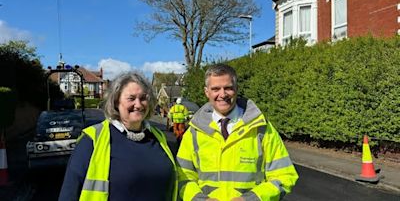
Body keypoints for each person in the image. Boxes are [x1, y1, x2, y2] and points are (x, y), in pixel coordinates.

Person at [176, 64, 298, 201]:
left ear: (237, 89)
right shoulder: (194, 132)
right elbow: (182, 176)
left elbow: (284, 176)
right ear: (206, 92)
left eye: (228, 88)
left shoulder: (261, 129)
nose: (222, 94)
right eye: (215, 89)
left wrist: (251, 199)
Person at [59, 72, 177, 201]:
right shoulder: (92, 139)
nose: (138, 104)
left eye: (143, 98)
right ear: (116, 102)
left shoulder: (158, 137)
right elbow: (69, 193)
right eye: (131, 98)